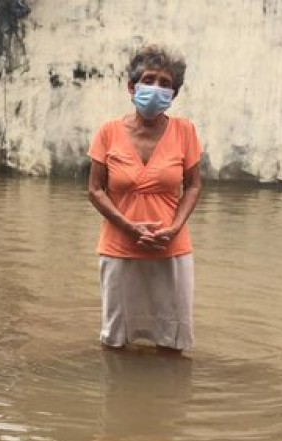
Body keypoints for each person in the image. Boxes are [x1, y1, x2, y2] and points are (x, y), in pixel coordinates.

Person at [87, 44, 202, 354]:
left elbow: (192, 186)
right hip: (119, 248)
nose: (156, 88)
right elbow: (95, 190)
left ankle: (167, 401)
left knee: (172, 342)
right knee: (115, 341)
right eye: (149, 79)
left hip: (171, 248)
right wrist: (129, 227)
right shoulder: (108, 132)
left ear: (174, 93)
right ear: (131, 86)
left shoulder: (185, 132)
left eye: (166, 83)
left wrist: (175, 228)